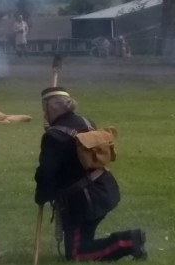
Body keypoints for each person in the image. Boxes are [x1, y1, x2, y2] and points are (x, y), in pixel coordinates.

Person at [34, 87, 147, 262]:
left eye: (44, 108)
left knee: (77, 253)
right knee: (81, 244)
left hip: (84, 202)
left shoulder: (55, 136)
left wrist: (41, 195)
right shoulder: (85, 121)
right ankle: (129, 241)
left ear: (53, 108)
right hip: (102, 188)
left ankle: (130, 240)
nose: (43, 113)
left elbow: (46, 172)